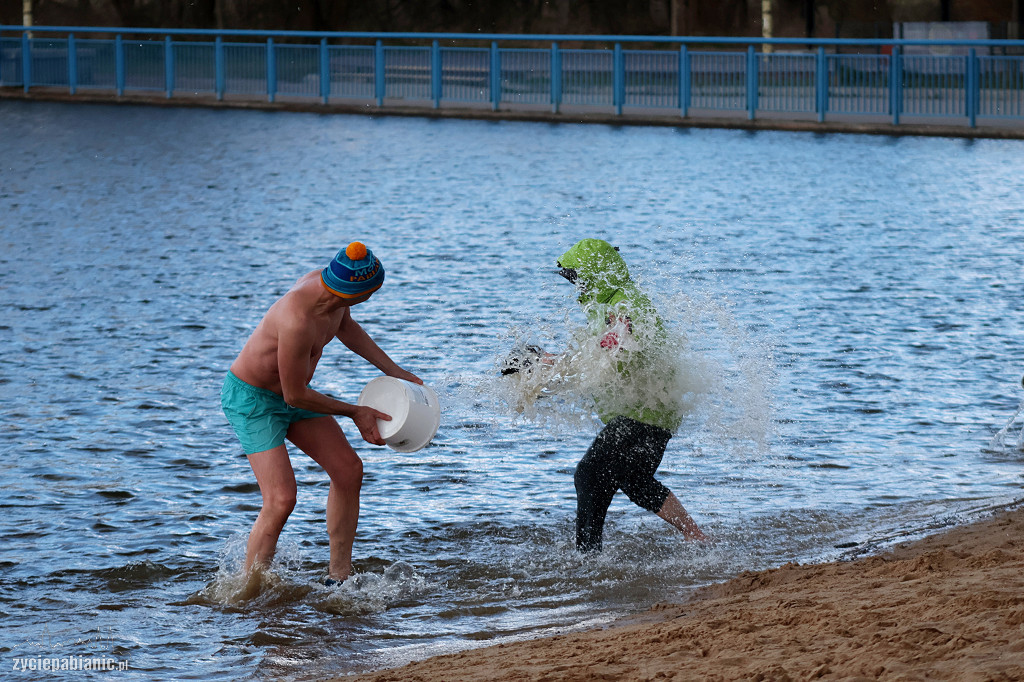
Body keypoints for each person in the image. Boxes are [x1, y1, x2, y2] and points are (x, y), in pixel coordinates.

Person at [221, 242, 422, 584]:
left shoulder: (332, 294)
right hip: (254, 401)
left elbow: (345, 328)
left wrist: (395, 371)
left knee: (348, 470)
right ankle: (247, 589)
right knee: (282, 498)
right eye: (371, 292)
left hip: (294, 393)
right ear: (354, 293)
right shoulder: (297, 319)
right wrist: (356, 411)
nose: (372, 297)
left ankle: (338, 579)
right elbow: (296, 395)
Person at [555, 238, 706, 552]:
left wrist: (618, 333)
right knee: (630, 478)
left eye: (578, 279)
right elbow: (589, 355)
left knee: (591, 473)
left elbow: (624, 329)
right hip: (650, 409)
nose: (576, 287)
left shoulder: (625, 300)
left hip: (649, 408)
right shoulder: (602, 307)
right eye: (572, 281)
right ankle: (695, 536)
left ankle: (588, 557)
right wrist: (545, 364)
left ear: (595, 275)